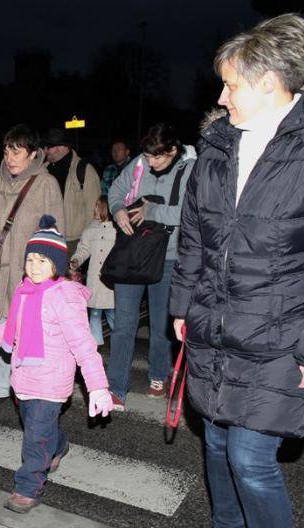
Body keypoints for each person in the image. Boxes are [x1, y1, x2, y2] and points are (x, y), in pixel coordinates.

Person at [169, 15, 304, 528]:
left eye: (230, 85)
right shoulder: (217, 147)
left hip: (283, 337)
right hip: (214, 327)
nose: (220, 98)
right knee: (217, 443)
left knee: (251, 457)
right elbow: (193, 236)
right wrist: (182, 305)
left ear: (268, 81)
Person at [0, 216, 115, 513]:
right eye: (31, 259)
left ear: (56, 265)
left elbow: (84, 345)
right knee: (37, 426)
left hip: (50, 382)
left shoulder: (64, 299)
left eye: (43, 260)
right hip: (23, 378)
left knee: (34, 437)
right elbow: (12, 328)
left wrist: (98, 387)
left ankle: (27, 487)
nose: (34, 266)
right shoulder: (25, 291)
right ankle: (58, 445)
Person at [0, 124, 64, 406]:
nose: (9, 158)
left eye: (17, 152)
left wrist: (46, 271)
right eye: (7, 151)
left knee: (24, 330)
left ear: (33, 154)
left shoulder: (45, 184)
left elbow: (54, 233)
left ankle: (26, 386)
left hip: (27, 272)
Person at [106, 123, 196, 408]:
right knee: (123, 324)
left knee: (161, 324)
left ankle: (158, 375)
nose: (151, 162)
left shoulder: (190, 169)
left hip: (169, 255)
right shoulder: (139, 164)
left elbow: (190, 212)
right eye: (147, 155)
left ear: (174, 150)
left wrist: (152, 210)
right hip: (133, 252)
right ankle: (116, 386)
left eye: (158, 156)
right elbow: (115, 191)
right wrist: (119, 210)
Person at [42, 128, 101, 249]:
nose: (45, 150)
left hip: (73, 242)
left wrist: (85, 243)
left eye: (49, 146)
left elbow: (94, 210)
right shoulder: (43, 170)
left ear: (63, 147)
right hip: (46, 237)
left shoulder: (84, 170)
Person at [69, 196, 116, 346]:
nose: (94, 209)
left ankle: (121, 343)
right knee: (94, 315)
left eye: (98, 206)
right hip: (95, 281)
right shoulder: (90, 230)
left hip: (111, 281)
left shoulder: (117, 230)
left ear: (106, 208)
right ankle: (95, 347)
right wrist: (76, 260)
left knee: (112, 313)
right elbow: (83, 249)